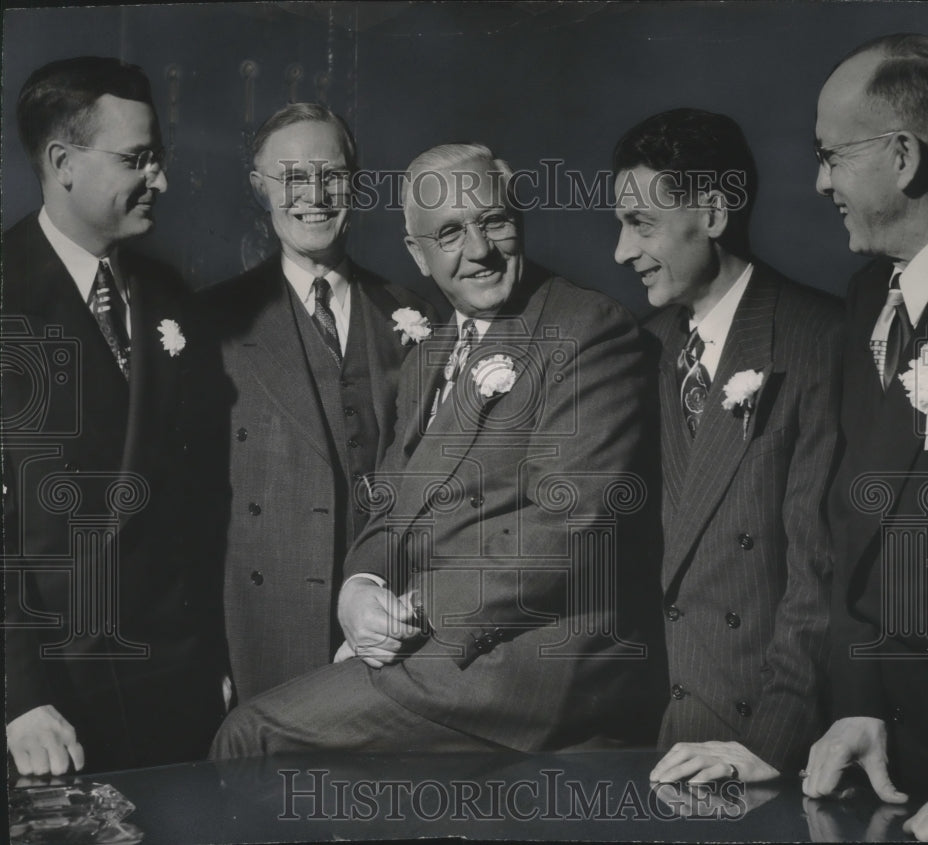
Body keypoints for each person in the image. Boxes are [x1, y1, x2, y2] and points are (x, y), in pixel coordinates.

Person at [210, 142, 657, 756]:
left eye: (493, 222)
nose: (478, 251)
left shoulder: (587, 330)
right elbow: (392, 501)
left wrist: (413, 608)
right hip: (446, 652)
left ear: (518, 222)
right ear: (418, 256)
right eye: (449, 234)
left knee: (251, 739)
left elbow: (570, 527)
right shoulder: (432, 352)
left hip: (534, 665)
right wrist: (361, 586)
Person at [3, 56, 229, 775]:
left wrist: (213, 661)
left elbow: (199, 498)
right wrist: (18, 695)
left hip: (179, 680)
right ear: (63, 163)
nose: (159, 180)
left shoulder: (168, 294)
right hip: (54, 702)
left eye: (158, 158)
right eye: (138, 159)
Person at [804, 34, 928, 842]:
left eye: (831, 156)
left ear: (903, 157)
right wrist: (856, 702)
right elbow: (859, 532)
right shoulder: (865, 300)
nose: (820, 182)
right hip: (895, 779)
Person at [612, 109, 842, 784]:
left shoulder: (819, 338)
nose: (620, 251)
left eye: (641, 224)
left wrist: (771, 743)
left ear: (712, 213)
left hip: (774, 745)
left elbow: (818, 572)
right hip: (667, 739)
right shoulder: (642, 346)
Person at [200, 104, 436, 704]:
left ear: (355, 183)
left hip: (394, 624)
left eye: (331, 175)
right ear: (261, 190)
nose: (316, 196)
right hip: (266, 632)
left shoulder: (416, 313)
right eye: (294, 178)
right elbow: (188, 509)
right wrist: (207, 658)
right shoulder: (214, 321)